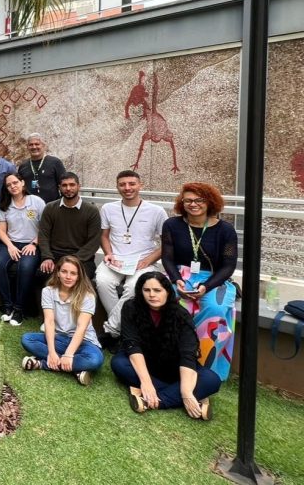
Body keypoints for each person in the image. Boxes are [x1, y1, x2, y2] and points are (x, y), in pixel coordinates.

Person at [110, 272, 220, 419]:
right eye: (146, 290)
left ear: (167, 292)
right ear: (140, 292)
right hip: (145, 364)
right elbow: (132, 345)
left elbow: (188, 355)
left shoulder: (181, 315)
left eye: (157, 290)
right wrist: (146, 382)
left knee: (211, 379)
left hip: (175, 368)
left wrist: (187, 392)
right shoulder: (131, 307)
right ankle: (193, 397)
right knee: (119, 364)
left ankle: (150, 400)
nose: (151, 295)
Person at [161, 182, 238, 381]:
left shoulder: (225, 230)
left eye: (199, 200)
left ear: (209, 201)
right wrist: (177, 280)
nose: (193, 204)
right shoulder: (171, 225)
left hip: (213, 279)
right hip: (180, 276)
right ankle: (171, 361)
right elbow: (167, 258)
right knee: (167, 304)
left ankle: (203, 364)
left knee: (215, 309)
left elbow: (228, 266)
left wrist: (206, 287)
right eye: (188, 200)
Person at [95, 170, 167, 351]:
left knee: (133, 288)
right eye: (122, 184)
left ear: (140, 185)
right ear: (117, 186)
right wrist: (108, 253)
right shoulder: (108, 208)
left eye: (132, 184)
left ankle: (110, 331)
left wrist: (148, 260)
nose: (127, 188)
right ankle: (123, 331)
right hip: (116, 260)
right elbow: (104, 236)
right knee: (102, 281)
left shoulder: (156, 211)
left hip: (144, 261)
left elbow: (166, 243)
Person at [20, 256, 104, 386]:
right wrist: (52, 352)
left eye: (73, 273)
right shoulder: (48, 291)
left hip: (84, 342)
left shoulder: (88, 296)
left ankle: (42, 364)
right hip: (59, 338)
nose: (68, 276)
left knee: (95, 360)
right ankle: (75, 370)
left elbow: (81, 328)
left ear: (79, 276)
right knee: (27, 339)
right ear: (58, 273)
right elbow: (49, 322)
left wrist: (69, 354)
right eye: (64, 271)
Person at [0, 172, 45, 325]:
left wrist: (34, 244)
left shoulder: (37, 202)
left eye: (15, 183)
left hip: (32, 244)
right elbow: (1, 230)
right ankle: (8, 306)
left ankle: (19, 309)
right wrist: (10, 246)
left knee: (26, 267)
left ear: (22, 183)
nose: (12, 186)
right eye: (9, 185)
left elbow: (45, 228)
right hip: (11, 242)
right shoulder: (5, 204)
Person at [37, 172, 101, 280]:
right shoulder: (50, 208)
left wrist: (73, 260)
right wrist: (47, 257)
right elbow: (43, 235)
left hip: (82, 258)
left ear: (78, 187)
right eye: (64, 185)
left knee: (78, 278)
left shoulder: (91, 210)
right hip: (54, 255)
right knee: (42, 275)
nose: (68, 188)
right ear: (59, 188)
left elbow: (94, 241)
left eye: (72, 185)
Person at [17, 133, 66, 204]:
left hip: (51, 206)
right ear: (27, 147)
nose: (34, 147)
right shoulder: (23, 166)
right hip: (30, 208)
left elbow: (63, 184)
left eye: (37, 144)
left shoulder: (55, 162)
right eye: (31, 145)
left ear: (43, 145)